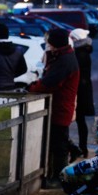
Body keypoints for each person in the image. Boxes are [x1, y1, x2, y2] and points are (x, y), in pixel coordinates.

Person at [26, 28, 80, 185]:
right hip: (59, 107)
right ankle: (68, 155)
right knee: (58, 139)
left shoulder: (64, 61)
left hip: (60, 108)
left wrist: (32, 87)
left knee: (58, 145)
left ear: (54, 43)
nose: (47, 44)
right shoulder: (63, 57)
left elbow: (49, 83)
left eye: (49, 41)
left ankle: (58, 178)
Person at [70, 28, 95, 157]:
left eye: (73, 38)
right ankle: (83, 148)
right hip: (84, 90)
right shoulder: (84, 51)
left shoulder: (79, 54)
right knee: (81, 121)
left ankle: (81, 148)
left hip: (79, 91)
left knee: (78, 119)